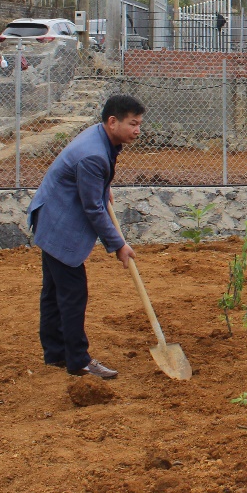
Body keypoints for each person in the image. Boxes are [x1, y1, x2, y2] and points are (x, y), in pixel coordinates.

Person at [27, 94, 144, 379]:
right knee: (72, 295)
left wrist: (102, 187)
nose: (138, 130)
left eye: (140, 124)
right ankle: (78, 360)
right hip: (60, 225)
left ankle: (55, 353)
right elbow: (93, 209)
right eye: (133, 124)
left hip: (50, 214)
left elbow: (91, 187)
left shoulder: (98, 137)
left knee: (54, 293)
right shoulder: (93, 155)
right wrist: (118, 245)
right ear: (113, 122)